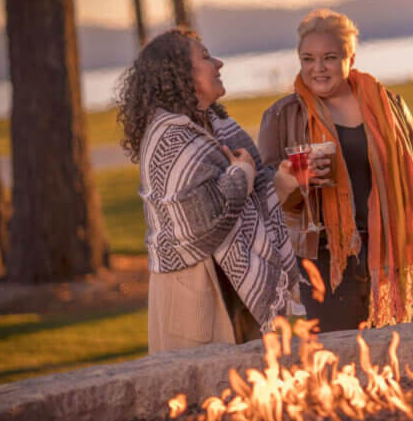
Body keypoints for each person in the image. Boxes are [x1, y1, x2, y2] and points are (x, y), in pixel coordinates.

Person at [117, 28, 300, 354]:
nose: (219, 63)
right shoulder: (169, 140)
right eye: (205, 57)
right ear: (180, 74)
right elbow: (202, 221)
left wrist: (281, 182)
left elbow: (241, 200)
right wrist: (242, 173)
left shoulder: (215, 125)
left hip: (238, 284)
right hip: (196, 290)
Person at [259, 9, 413, 331]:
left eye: (329, 57)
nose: (318, 68)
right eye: (308, 59)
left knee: (394, 353)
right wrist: (289, 181)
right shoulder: (282, 116)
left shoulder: (389, 106)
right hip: (323, 260)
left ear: (350, 59)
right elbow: (265, 198)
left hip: (390, 253)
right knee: (338, 357)